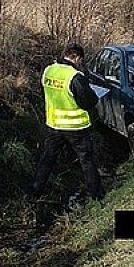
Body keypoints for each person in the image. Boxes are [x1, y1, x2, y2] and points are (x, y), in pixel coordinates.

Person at [31, 43, 104, 201]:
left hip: (54, 125)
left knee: (47, 159)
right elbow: (88, 101)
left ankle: (35, 193)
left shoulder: (48, 71)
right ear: (77, 57)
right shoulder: (74, 76)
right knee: (87, 161)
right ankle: (97, 195)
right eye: (80, 61)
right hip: (75, 127)